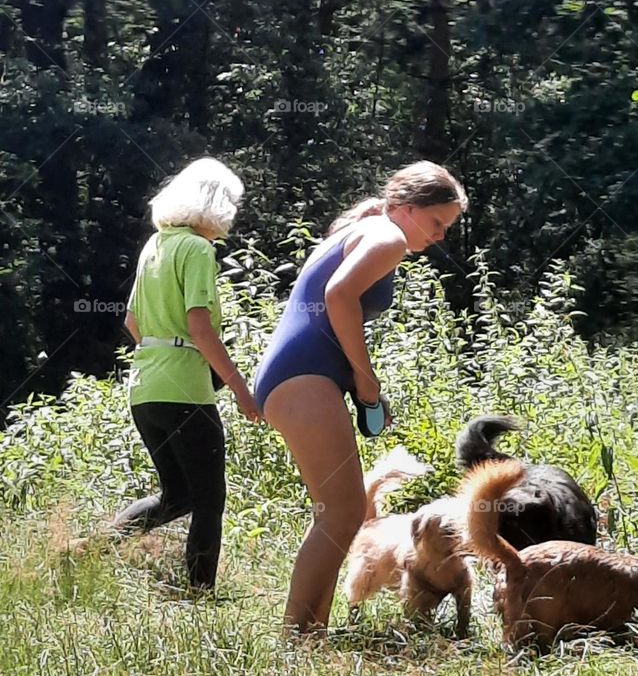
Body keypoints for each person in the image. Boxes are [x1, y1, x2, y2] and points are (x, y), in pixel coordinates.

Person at [255, 161, 467, 635]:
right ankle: (297, 639)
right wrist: (365, 378)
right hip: (303, 377)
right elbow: (339, 295)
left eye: (446, 228)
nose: (438, 237)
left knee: (340, 512)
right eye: (436, 223)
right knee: (344, 510)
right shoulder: (387, 235)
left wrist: (358, 385)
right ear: (407, 208)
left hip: (297, 376)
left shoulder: (367, 226)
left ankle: (311, 632)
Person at [113, 157, 261, 590]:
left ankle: (89, 549)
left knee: (177, 494)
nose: (232, 215)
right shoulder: (198, 249)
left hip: (145, 389)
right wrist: (240, 389)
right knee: (209, 499)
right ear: (214, 205)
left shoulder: (155, 245)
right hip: (186, 392)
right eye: (231, 204)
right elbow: (200, 327)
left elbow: (132, 323)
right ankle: (200, 594)